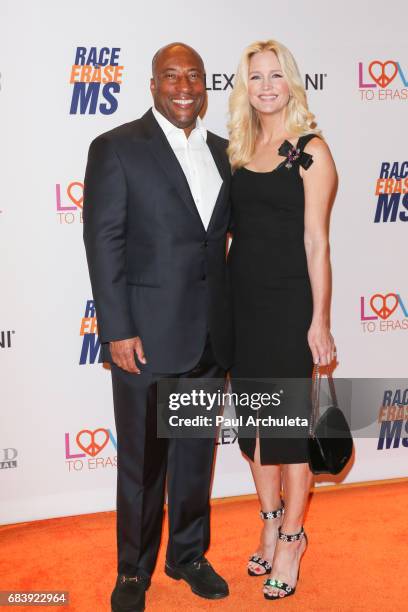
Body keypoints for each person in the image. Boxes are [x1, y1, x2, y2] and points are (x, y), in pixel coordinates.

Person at [83, 42, 233, 612]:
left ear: (205, 86)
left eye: (194, 76)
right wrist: (117, 329)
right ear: (152, 85)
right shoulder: (118, 148)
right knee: (143, 464)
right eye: (171, 76)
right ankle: (134, 570)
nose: (184, 86)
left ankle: (188, 555)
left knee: (195, 455)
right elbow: (103, 243)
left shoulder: (225, 153)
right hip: (142, 338)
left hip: (205, 337)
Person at [227, 40, 337, 601]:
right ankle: (269, 518)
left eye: (275, 75)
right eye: (255, 77)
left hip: (288, 306)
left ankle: (293, 538)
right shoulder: (240, 148)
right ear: (243, 86)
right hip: (241, 309)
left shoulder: (311, 150)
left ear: (291, 81)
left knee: (289, 434)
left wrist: (319, 320)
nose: (266, 85)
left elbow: (317, 241)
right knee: (256, 433)